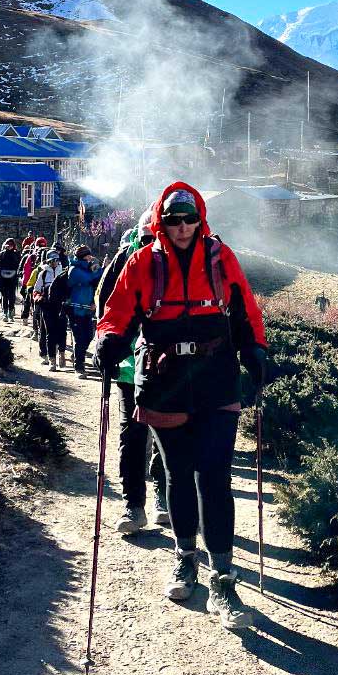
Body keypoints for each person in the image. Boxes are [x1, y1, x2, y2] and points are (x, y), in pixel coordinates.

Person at [94, 182, 269, 631]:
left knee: (214, 475)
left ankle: (224, 580)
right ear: (162, 223)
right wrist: (110, 340)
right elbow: (117, 310)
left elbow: (244, 308)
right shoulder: (142, 262)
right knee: (177, 474)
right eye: (175, 220)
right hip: (166, 380)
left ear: (200, 218)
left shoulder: (220, 257)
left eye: (190, 219)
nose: (184, 227)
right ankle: (185, 559)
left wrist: (255, 350)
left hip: (215, 378)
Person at [95, 211, 168, 534]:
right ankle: (134, 504)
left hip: (170, 367)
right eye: (149, 237)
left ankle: (162, 499)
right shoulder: (125, 261)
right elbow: (106, 309)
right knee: (133, 434)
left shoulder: (182, 262)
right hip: (129, 366)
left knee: (166, 436)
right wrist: (106, 346)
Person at [66, 245, 101, 376]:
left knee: (89, 336)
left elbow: (97, 281)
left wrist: (93, 302)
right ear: (83, 256)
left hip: (87, 309)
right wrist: (97, 269)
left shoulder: (87, 268)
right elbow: (89, 279)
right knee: (79, 338)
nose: (90, 258)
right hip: (75, 309)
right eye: (88, 256)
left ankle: (77, 355)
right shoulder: (74, 270)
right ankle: (79, 367)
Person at [30, 247, 64, 364]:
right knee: (45, 331)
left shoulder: (62, 272)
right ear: (48, 261)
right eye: (53, 260)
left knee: (59, 331)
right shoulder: (43, 274)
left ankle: (58, 353)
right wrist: (38, 298)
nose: (55, 262)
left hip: (59, 306)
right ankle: (46, 355)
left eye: (56, 260)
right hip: (46, 305)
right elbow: (36, 290)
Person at [0, 238, 20, 321]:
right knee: (4, 296)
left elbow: (20, 265)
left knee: (11, 296)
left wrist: (20, 272)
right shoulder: (1, 254)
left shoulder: (16, 254)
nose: (9, 246)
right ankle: (5, 313)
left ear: (13, 246)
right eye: (8, 245)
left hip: (13, 278)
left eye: (11, 245)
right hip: (2, 278)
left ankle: (10, 313)